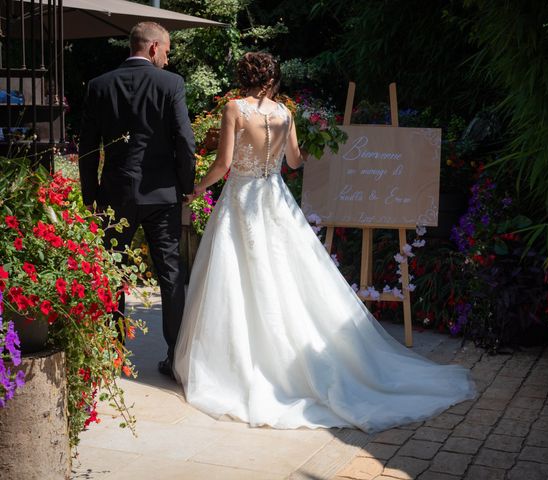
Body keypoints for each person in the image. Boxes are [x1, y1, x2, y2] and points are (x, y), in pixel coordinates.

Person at [173, 52, 475, 432]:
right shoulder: (285, 113)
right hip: (274, 195)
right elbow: (296, 161)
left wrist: (199, 188)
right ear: (273, 78)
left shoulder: (235, 108)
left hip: (242, 197)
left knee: (238, 275)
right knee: (285, 273)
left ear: (243, 77)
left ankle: (246, 361)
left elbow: (224, 163)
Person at [79, 22, 196, 378]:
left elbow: (87, 147)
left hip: (115, 193)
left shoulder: (99, 85)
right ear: (153, 48)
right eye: (167, 51)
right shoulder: (171, 83)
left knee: (110, 273)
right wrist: (186, 186)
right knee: (171, 273)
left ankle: (112, 353)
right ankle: (174, 355)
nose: (168, 57)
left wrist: (90, 195)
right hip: (162, 194)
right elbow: (185, 141)